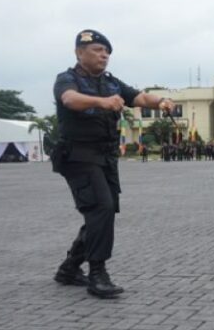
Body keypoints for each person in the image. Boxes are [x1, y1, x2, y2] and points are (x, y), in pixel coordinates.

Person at [51, 29, 176, 299]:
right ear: (79, 53)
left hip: (105, 157)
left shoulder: (111, 82)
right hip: (79, 156)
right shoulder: (67, 79)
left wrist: (162, 101)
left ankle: (70, 268)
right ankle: (98, 274)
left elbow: (140, 98)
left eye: (106, 52)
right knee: (101, 208)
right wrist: (102, 102)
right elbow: (69, 99)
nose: (104, 55)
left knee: (103, 213)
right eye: (97, 50)